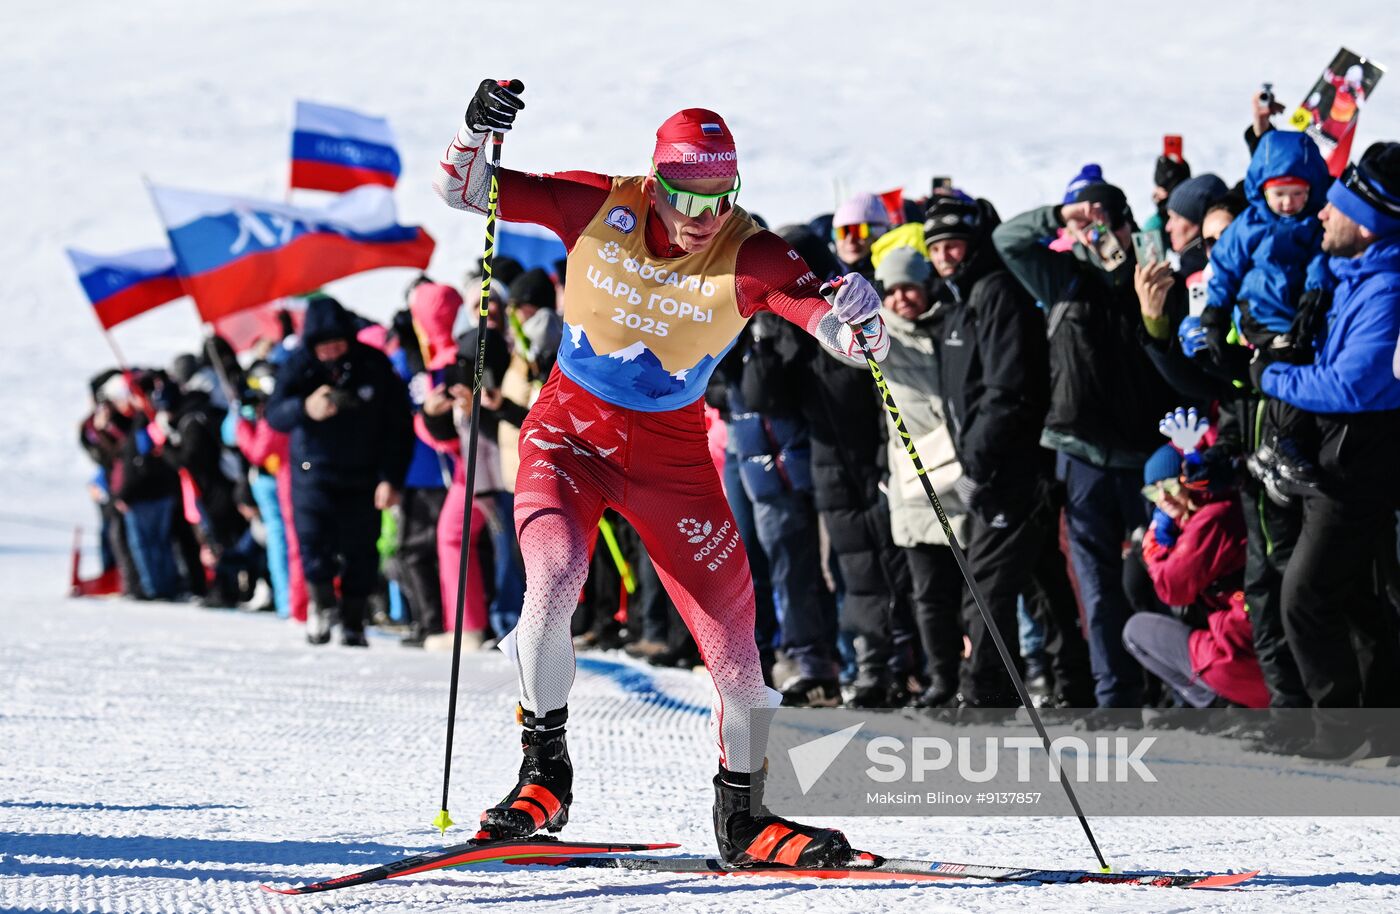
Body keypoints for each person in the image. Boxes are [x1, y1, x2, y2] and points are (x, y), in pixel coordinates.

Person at [433, 79, 890, 867]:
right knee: (552, 586)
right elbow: (465, 191)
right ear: (654, 182)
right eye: (685, 197)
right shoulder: (597, 204)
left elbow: (842, 337)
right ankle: (543, 777)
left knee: (739, 662)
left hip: (672, 463)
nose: (702, 217)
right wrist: (475, 130)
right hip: (567, 438)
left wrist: (865, 320)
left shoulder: (751, 251)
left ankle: (746, 819)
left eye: (720, 198)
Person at [993, 182, 1177, 708]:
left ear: (1127, 227)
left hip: (1146, 456)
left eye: (1107, 225)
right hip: (1083, 454)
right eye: (1088, 228)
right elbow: (1007, 240)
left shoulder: (1152, 278)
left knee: (1154, 577)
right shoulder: (1064, 277)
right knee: (1097, 586)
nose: (1099, 237)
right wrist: (1060, 213)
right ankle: (1115, 695)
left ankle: (1170, 690)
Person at [1254, 142, 1400, 756]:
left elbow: (1353, 385)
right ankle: (1380, 727)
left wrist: (1271, 375)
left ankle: (1338, 731)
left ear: (1365, 223)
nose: (1320, 213)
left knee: (1306, 597)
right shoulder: (1351, 274)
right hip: (1336, 459)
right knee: (1360, 599)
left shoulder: (1387, 288)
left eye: (1334, 207)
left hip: (1357, 464)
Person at [924, 198, 1093, 708]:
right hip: (998, 468)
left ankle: (985, 698)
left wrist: (977, 466)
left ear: (972, 245)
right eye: (936, 248)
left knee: (986, 586)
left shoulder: (995, 292)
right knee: (1042, 584)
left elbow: (1008, 390)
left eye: (953, 245)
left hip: (1011, 470)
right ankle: (1074, 689)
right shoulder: (960, 301)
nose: (945, 256)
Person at [266, 294, 414, 647]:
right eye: (324, 346)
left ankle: (353, 621)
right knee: (313, 545)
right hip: (312, 474)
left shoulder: (373, 364)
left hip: (363, 475)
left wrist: (391, 478)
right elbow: (275, 414)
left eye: (337, 344)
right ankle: (321, 608)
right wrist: (305, 407)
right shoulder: (297, 366)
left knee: (361, 551)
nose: (331, 352)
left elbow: (398, 426)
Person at [870, 242, 968, 708]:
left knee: (975, 591)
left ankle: (982, 679)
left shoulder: (953, 323)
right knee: (929, 593)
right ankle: (942, 680)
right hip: (917, 484)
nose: (901, 298)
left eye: (909, 287)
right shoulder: (879, 334)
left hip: (962, 479)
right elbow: (846, 350)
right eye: (892, 291)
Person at [1123, 442, 1267, 710]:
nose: (1163, 498)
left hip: (1240, 655)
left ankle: (1221, 707)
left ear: (1190, 479)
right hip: (1250, 648)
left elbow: (1171, 586)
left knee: (1136, 631)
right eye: (1153, 491)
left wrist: (1154, 545)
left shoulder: (1213, 517)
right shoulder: (1210, 511)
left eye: (1170, 486)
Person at [830, 192, 890, 276]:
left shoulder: (893, 278)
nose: (850, 240)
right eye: (842, 232)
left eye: (858, 230)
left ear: (880, 234)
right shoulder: (824, 278)